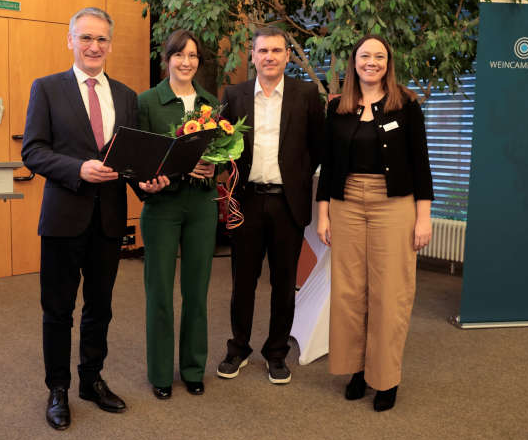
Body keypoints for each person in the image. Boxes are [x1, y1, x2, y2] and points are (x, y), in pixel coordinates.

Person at [22, 7, 167, 431]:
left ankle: (91, 380)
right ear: (70, 41)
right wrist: (77, 169)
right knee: (58, 310)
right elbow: (33, 150)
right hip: (64, 216)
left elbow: (132, 161)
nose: (94, 46)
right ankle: (57, 389)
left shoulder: (125, 96)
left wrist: (147, 186)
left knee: (99, 308)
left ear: (110, 45)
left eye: (102, 39)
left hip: (109, 220)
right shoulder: (47, 89)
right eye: (86, 38)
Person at [316, 34, 433, 412]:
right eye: (365, 55)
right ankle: (355, 370)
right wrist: (323, 214)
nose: (371, 62)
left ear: (388, 62)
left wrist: (423, 218)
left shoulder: (406, 105)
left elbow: (421, 165)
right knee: (349, 292)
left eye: (379, 56)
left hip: (393, 203)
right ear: (354, 62)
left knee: (390, 292)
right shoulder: (338, 108)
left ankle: (385, 379)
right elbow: (329, 165)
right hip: (346, 202)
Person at [216, 26, 324, 384]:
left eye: (277, 51)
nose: (270, 57)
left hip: (287, 204)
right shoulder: (235, 94)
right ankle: (238, 348)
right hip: (246, 201)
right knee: (242, 281)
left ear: (287, 56)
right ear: (253, 54)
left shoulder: (306, 94)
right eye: (263, 51)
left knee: (283, 283)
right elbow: (221, 144)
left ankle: (276, 353)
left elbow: (319, 146)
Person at [137, 29, 218, 400]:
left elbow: (220, 152)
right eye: (179, 55)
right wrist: (146, 183)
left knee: (197, 292)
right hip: (162, 206)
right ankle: (160, 374)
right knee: (159, 292)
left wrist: (214, 166)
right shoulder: (148, 101)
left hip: (201, 205)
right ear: (166, 59)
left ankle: (192, 368)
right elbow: (137, 159)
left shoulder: (210, 103)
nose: (186, 62)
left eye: (193, 56)